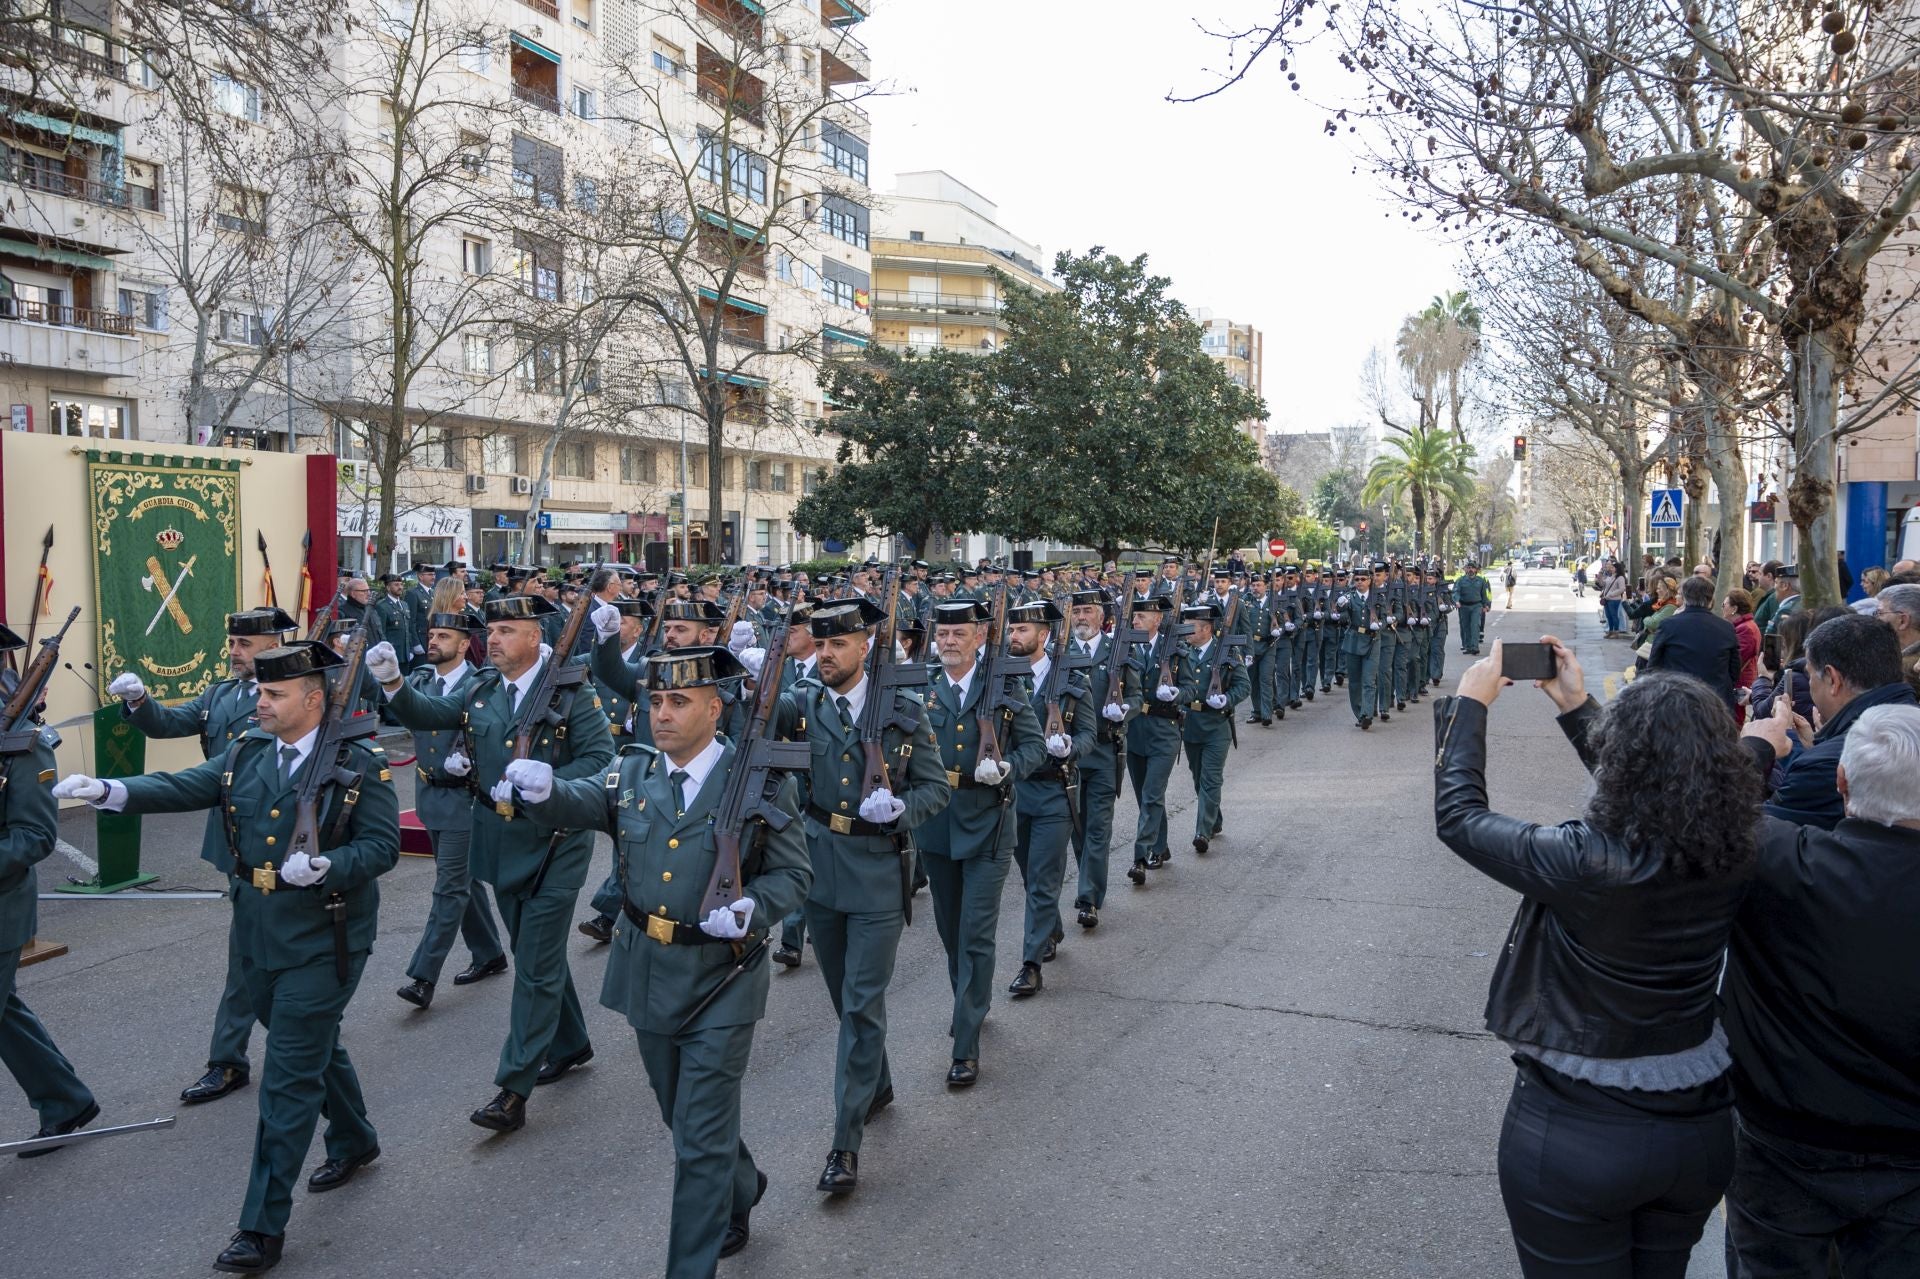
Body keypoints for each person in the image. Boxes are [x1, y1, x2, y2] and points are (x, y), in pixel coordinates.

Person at [59, 640, 401, 1274]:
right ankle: (355, 1137)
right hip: (256, 930)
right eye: (261, 693)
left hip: (324, 938)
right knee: (312, 1045)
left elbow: (382, 847)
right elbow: (185, 784)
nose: (259, 702)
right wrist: (108, 789)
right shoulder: (247, 751)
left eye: (273, 695)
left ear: (314, 699)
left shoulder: (360, 762)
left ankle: (261, 1226)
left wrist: (330, 865)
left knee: (288, 1077)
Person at [1436, 638, 1761, 1279]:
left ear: (1624, 758)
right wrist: (1577, 706)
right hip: (1698, 1129)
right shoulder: (1743, 844)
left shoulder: (1586, 861)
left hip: (1578, 1129)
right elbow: (1666, 793)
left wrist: (1468, 707)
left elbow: (1460, 817)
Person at [513, 646, 810, 1275]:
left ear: (714, 706)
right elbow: (581, 799)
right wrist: (544, 791)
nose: (662, 714)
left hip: (723, 976)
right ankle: (742, 1184)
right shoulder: (632, 773)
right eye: (654, 702)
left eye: (678, 702)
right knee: (682, 1115)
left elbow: (794, 875)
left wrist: (753, 906)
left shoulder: (758, 781)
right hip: (647, 970)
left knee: (698, 1139)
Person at [369, 596, 615, 1133]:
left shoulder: (573, 693)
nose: (495, 639)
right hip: (500, 840)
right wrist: (393, 684)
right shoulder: (482, 688)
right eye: (493, 630)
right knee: (533, 952)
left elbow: (601, 762)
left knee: (535, 963)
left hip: (555, 840)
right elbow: (430, 714)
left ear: (534, 637)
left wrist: (553, 784)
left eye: (506, 630)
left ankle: (513, 1086)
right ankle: (571, 1042)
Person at [1724, 703, 1920, 1276]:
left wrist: (1757, 747)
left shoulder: (1781, 860)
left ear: (1841, 781)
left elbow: (1683, 810)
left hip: (1782, 1142)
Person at [767, 600, 949, 1194]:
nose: (825, 656)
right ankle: (879, 1082)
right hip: (819, 869)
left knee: (862, 1004)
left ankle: (844, 1143)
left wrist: (901, 811)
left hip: (875, 872)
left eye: (837, 646)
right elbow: (760, 712)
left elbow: (933, 789)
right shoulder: (805, 703)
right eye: (819, 646)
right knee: (846, 1004)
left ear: (864, 647)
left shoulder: (901, 710)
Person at [109, 606, 297, 1105]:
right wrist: (140, 700)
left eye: (245, 645)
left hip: (290, 840)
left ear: (275, 645)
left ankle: (296, 1043)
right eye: (232, 643)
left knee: (283, 955)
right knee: (246, 956)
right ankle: (229, 1060)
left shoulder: (295, 696)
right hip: (237, 839)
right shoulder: (221, 693)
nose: (235, 652)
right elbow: (170, 723)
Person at [916, 598, 1043, 1087]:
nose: (948, 642)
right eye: (942, 634)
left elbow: (1031, 745)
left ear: (978, 637)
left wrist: (1010, 767)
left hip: (989, 822)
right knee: (950, 931)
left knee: (975, 934)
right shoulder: (919, 687)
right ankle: (970, 1000)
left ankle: (965, 1044)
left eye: (958, 634)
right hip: (936, 823)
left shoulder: (1003, 686)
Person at [1, 624, 98, 1156]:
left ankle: (64, 1102)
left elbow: (35, 837)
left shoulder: (24, 743)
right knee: (5, 1014)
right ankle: (65, 1100)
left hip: (2, 910)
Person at [393, 613, 508, 1010]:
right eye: (431, 634)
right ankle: (489, 952)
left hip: (466, 800)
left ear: (463, 645)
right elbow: (401, 711)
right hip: (430, 796)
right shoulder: (422, 680)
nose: (434, 640)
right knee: (466, 881)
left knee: (449, 887)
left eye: (444, 635)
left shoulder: (482, 684)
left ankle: (424, 975)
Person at [1005, 599, 1095, 997]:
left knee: (1043, 875)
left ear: (1043, 636)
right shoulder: (1002, 680)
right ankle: (1051, 926)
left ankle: (1031, 962)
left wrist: (1069, 748)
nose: (1014, 636)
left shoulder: (1072, 681)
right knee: (1027, 872)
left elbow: (1091, 735)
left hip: (1053, 790)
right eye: (1011, 630)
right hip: (1013, 791)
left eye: (1022, 631)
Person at [1760, 613, 1917, 830]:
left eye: (1810, 676)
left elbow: (1754, 834)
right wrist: (1818, 744)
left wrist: (1757, 750)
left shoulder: (1828, 763)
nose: (1810, 685)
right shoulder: (1910, 718)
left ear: (1833, 680)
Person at [1068, 586, 1140, 929]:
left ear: (1102, 616)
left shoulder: (1118, 651)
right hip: (1067, 757)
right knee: (1077, 829)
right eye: (1077, 611)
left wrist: (1123, 710)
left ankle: (1089, 898)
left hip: (1104, 749)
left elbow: (1137, 696)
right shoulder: (1060, 652)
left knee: (1098, 827)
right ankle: (1089, 880)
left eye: (1088, 611)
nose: (1082, 617)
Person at [1179, 601, 1249, 855]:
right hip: (1190, 724)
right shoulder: (1182, 652)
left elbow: (1244, 686)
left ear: (1207, 629)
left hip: (1216, 724)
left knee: (1210, 778)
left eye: (1191, 628)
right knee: (1199, 779)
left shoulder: (1227, 652)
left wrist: (1227, 699)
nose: (1185, 633)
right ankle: (1214, 819)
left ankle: (1202, 831)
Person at [1124, 593, 1182, 878]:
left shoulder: (1176, 649)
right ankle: (1160, 846)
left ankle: (1140, 855)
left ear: (1157, 620)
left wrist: (1177, 693)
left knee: (1151, 794)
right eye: (1134, 616)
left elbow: (1192, 685)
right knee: (1145, 797)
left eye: (1141, 617)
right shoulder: (1126, 649)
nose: (1135, 621)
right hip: (1135, 732)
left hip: (1164, 732)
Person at [1648, 574, 1743, 711]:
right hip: (1715, 702)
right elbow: (1734, 670)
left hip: (1677, 701)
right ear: (1711, 599)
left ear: (1685, 598)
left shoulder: (1668, 625)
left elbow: (1654, 664)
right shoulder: (1726, 627)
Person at [1339, 563, 1387, 729]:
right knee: (1355, 682)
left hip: (1373, 640)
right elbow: (1343, 618)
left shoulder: (1379, 598)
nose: (1359, 582)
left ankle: (1367, 714)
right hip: (1353, 640)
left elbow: (1386, 618)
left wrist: (1379, 624)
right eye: (1357, 579)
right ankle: (1359, 713)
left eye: (1363, 579)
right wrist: (1341, 607)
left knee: (1369, 679)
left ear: (1370, 580)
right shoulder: (1349, 597)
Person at [1724, 589, 1761, 722]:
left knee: (1735, 719)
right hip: (1740, 680)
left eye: (1725, 605)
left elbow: (1737, 658)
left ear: (1734, 608)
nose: (1723, 608)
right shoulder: (1744, 626)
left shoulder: (1745, 628)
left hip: (1740, 682)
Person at [1454, 562, 1491, 653]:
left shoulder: (1481, 580)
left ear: (1476, 570)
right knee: (1465, 627)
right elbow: (1456, 592)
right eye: (1469, 568)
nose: (1470, 570)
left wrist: (1486, 605)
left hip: (1476, 606)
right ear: (1466, 569)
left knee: (1475, 625)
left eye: (1472, 568)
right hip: (1464, 606)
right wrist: (1457, 601)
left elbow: (1484, 594)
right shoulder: (1460, 580)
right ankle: (1468, 646)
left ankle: (1475, 647)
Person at [1600, 561, 1628, 636]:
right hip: (1607, 599)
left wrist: (1611, 594)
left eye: (1613, 567)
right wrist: (1600, 579)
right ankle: (1610, 631)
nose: (1611, 569)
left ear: (1617, 568)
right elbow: (1605, 584)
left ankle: (1616, 632)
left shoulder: (1620, 577)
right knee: (1608, 616)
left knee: (1614, 615)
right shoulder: (1611, 576)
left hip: (1614, 599)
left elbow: (1622, 589)